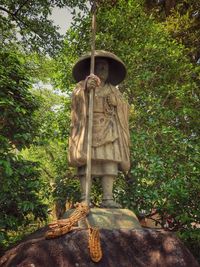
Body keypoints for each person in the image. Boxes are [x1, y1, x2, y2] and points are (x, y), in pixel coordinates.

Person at [69, 50, 130, 208]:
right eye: (100, 66)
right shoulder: (82, 85)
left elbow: (124, 107)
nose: (103, 70)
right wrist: (85, 91)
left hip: (108, 128)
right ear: (92, 68)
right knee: (86, 162)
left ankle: (108, 197)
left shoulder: (113, 90)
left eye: (106, 67)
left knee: (109, 161)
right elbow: (75, 102)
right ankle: (85, 197)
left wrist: (116, 103)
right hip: (88, 127)